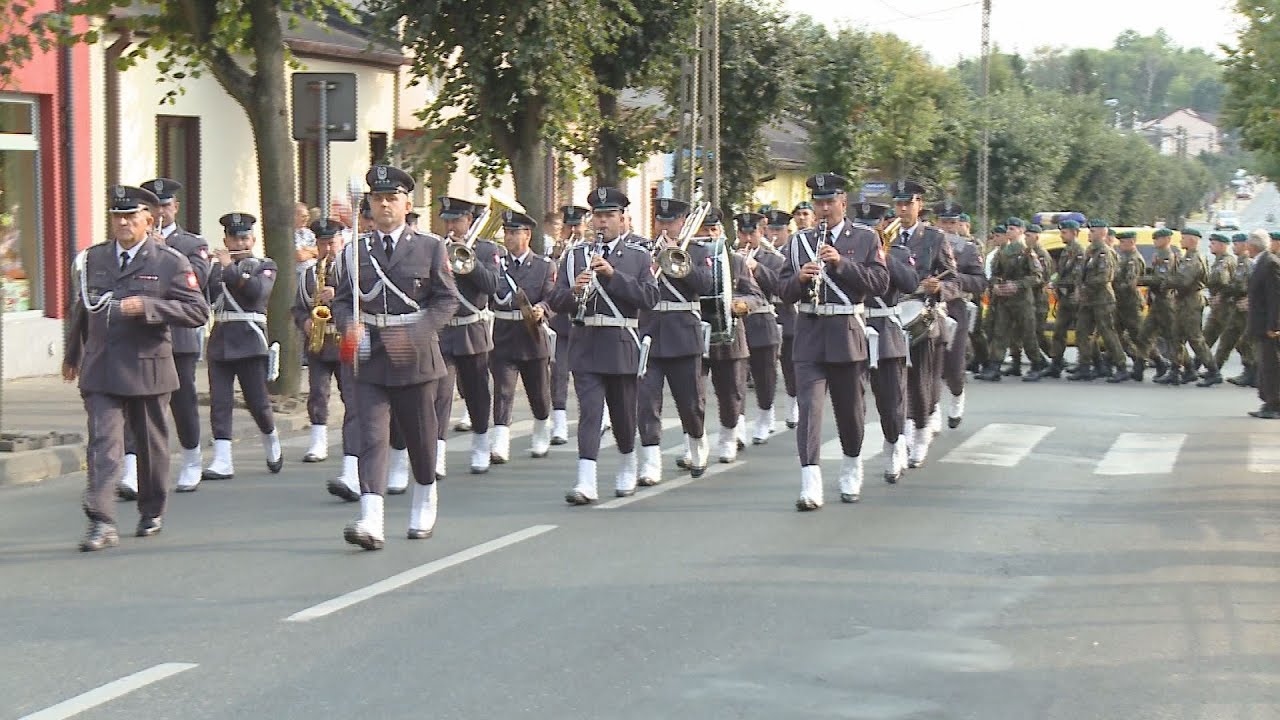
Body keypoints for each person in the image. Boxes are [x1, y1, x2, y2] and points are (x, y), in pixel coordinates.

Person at [64, 185, 208, 551]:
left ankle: (152, 508)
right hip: (102, 366)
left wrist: (147, 307)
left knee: (150, 445)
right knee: (103, 444)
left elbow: (197, 311)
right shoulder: (93, 258)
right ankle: (101, 520)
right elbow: (81, 307)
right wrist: (72, 354)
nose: (123, 223)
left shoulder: (169, 262)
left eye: (131, 216)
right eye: (118, 216)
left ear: (149, 219)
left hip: (148, 368)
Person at [331, 164, 460, 549]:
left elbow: (446, 300)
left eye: (392, 198)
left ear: (407, 204)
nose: (384, 205)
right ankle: (371, 518)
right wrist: (348, 325)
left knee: (421, 439)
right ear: (369, 205)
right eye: (378, 199)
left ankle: (425, 499)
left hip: (414, 356)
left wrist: (417, 335)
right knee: (371, 435)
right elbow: (342, 300)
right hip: (371, 354)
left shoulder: (430, 247)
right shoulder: (355, 251)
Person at [778, 172, 889, 510]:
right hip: (810, 334)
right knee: (809, 408)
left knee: (850, 410)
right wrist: (799, 279)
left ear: (843, 202)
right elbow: (782, 291)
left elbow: (879, 283)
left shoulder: (866, 238)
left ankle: (852, 465)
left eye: (830, 202)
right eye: (819, 203)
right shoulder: (798, 242)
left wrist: (841, 263)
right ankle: (810, 482)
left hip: (847, 334)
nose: (824, 209)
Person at [548, 187, 659, 504]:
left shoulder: (638, 256)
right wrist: (574, 291)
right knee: (590, 413)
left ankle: (627, 465)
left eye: (609, 215)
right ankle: (586, 481)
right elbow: (556, 300)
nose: (602, 222)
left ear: (622, 219)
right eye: (598, 216)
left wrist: (612, 276)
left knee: (623, 415)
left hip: (621, 344)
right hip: (586, 344)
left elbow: (649, 297)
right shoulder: (574, 256)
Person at [115, 178, 210, 497]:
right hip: (140, 337)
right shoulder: (131, 244)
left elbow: (199, 281)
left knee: (183, 402)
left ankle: (191, 458)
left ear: (175, 208)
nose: (161, 212)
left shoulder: (191, 244)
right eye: (154, 207)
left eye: (165, 206)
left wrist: (163, 250)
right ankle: (132, 470)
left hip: (178, 337)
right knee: (133, 401)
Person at [201, 212, 284, 480]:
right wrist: (204, 267)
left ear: (253, 239)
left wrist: (229, 267)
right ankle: (223, 460)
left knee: (257, 402)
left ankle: (271, 439)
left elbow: (257, 292)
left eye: (244, 238)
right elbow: (204, 298)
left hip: (250, 341)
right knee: (220, 402)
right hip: (221, 340)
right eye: (234, 238)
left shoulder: (264, 265)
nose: (239, 243)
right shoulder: (216, 269)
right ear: (226, 240)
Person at [638, 198, 715, 484]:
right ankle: (650, 462)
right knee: (646, 401)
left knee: (690, 401)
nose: (665, 226)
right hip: (650, 331)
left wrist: (679, 263)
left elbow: (706, 285)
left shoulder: (697, 250)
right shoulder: (644, 251)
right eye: (660, 221)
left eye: (670, 222)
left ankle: (696, 444)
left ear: (683, 222)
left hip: (683, 333)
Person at [892, 180, 957, 467]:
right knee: (895, 381)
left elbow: (953, 279)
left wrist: (939, 288)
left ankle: (920, 432)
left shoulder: (934, 238)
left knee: (920, 381)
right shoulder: (885, 237)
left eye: (908, 204)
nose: (902, 209)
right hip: (893, 316)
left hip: (924, 316)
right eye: (899, 204)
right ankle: (905, 430)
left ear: (919, 205)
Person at [435, 196, 502, 475]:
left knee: (476, 392)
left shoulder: (486, 249)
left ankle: (481, 445)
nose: (451, 226)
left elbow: (492, 285)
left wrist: (469, 263)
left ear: (469, 220)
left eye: (457, 220)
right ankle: (437, 454)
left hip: (472, 329)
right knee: (439, 393)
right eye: (447, 221)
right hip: (442, 331)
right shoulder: (436, 248)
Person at [293, 222, 359, 497]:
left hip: (344, 341)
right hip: (319, 343)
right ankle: (318, 441)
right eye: (322, 244)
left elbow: (361, 302)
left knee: (350, 395)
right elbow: (298, 308)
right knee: (318, 393)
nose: (327, 249)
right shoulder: (309, 274)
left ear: (341, 243)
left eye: (332, 243)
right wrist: (305, 322)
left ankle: (353, 444)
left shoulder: (351, 271)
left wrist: (336, 294)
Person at [488, 210, 557, 462]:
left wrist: (543, 309)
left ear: (527, 235)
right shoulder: (496, 266)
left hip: (531, 335)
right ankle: (500, 441)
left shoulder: (544, 266)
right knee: (503, 390)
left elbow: (551, 296)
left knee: (538, 392)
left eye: (514, 233)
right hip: (504, 334)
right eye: (506, 232)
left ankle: (541, 429)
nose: (508, 237)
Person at [857, 201, 915, 483]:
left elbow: (911, 283)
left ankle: (894, 444)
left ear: (882, 226)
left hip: (886, 331)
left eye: (874, 227)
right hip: (855, 328)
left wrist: (884, 256)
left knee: (890, 399)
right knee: (853, 401)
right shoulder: (848, 253)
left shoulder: (898, 251)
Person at [701, 210, 765, 462]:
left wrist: (741, 304)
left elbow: (755, 295)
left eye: (713, 230)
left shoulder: (735, 261)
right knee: (692, 394)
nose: (709, 235)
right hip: (696, 333)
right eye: (704, 230)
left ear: (721, 232)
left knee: (730, 392)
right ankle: (693, 442)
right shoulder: (687, 259)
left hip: (729, 333)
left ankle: (728, 437)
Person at [932, 202, 986, 427]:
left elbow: (981, 282)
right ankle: (931, 410)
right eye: (944, 222)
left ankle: (957, 394)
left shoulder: (968, 249)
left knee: (954, 365)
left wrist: (955, 279)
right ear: (937, 222)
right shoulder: (925, 243)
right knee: (929, 364)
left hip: (955, 308)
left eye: (952, 222)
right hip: (930, 308)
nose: (948, 227)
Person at [736, 211, 786, 445]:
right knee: (736, 379)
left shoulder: (773, 259)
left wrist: (755, 267)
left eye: (752, 233)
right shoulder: (729, 257)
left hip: (763, 322)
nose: (748, 238)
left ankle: (765, 416)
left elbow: (780, 287)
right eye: (743, 233)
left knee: (765, 377)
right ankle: (737, 424)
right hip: (737, 324)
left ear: (761, 232)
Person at [1067, 220, 1130, 382]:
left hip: (1102, 300)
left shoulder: (1104, 252)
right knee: (1082, 332)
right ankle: (1085, 367)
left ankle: (1121, 367)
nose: (1089, 234)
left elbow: (1105, 277)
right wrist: (1079, 288)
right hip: (1088, 300)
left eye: (1093, 231)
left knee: (1108, 334)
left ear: (1102, 233)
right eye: (1090, 231)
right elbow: (1081, 273)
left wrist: (1084, 288)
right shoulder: (1090, 251)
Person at [549, 205, 588, 444]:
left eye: (577, 225)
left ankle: (600, 415)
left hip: (587, 324)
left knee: (591, 374)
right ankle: (559, 424)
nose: (573, 230)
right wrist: (556, 257)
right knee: (559, 373)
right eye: (568, 225)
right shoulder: (554, 252)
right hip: (562, 324)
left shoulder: (590, 251)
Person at [1164, 228, 1222, 387]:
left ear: (1192, 240)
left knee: (1195, 338)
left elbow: (1184, 281)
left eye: (1183, 238)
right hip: (1182, 301)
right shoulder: (1186, 258)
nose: (1180, 241)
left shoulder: (1194, 259)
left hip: (1191, 301)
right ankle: (1178, 370)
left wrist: (1167, 280)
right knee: (1176, 336)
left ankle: (1213, 371)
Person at [765, 209, 800, 429]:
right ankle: (766, 412)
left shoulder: (793, 252)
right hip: (766, 311)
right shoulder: (761, 253)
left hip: (788, 312)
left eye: (779, 230)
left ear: (788, 230)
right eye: (771, 230)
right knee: (766, 369)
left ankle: (792, 404)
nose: (775, 234)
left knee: (790, 364)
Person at [1246, 229, 1280, 417]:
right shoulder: (1261, 262)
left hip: (1268, 326)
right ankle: (1268, 401)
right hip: (1260, 324)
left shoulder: (1270, 263)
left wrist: (1274, 326)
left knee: (1272, 366)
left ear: (1252, 245)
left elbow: (1275, 297)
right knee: (1265, 365)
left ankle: (1275, 405)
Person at [1201, 233, 1239, 379]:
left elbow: (1226, 282)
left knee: (1231, 340)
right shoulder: (1218, 261)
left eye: (1213, 243)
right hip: (1217, 306)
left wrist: (1220, 295)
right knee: (1207, 336)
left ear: (1223, 245)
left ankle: (1251, 366)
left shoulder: (1226, 261)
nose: (1210, 246)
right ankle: (1198, 365)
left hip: (1226, 306)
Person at [1111, 230, 1147, 380]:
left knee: (1138, 335)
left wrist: (1113, 287)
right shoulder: (1124, 258)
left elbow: (1131, 283)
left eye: (1123, 242)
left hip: (1131, 303)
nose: (1120, 245)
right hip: (1120, 302)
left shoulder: (1134, 259)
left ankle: (1154, 361)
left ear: (1132, 242)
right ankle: (1130, 361)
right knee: (1115, 334)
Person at [1223, 233, 1257, 386]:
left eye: (1236, 244)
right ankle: (1250, 372)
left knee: (1246, 341)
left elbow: (1247, 286)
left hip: (1246, 307)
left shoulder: (1248, 263)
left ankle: (1253, 373)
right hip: (1238, 305)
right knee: (1239, 341)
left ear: (1245, 245)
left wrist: (1248, 298)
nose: (1233, 247)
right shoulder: (1240, 263)